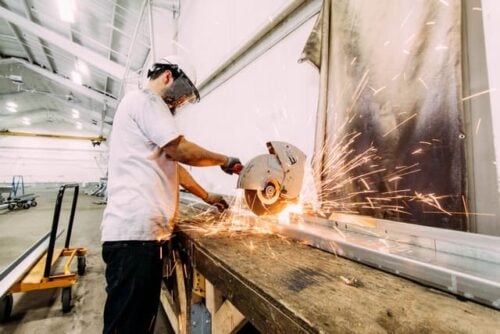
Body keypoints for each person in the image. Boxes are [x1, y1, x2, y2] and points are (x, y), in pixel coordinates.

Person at [100, 55, 241, 334]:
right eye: (183, 95)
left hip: (137, 239)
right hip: (134, 240)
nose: (181, 103)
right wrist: (224, 160)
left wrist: (206, 196)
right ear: (167, 77)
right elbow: (180, 150)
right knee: (128, 327)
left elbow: (173, 165)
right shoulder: (147, 101)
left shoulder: (139, 108)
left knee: (137, 322)